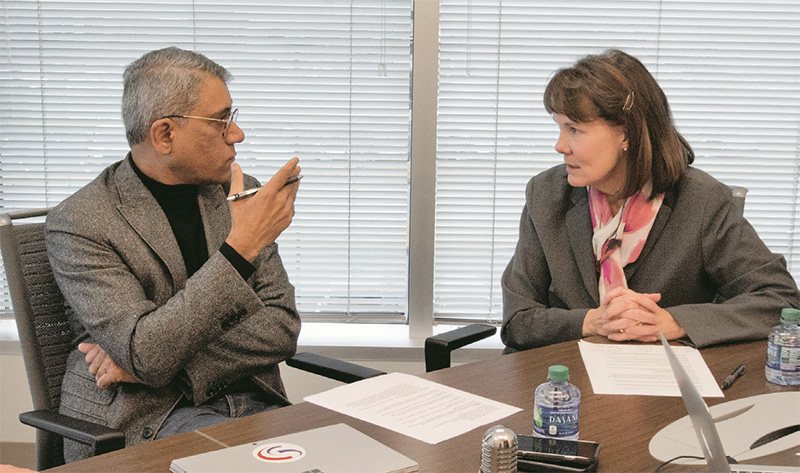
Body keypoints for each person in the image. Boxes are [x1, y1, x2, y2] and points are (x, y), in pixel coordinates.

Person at [45, 47, 302, 462]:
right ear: (165, 134)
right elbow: (145, 351)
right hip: (145, 421)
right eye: (222, 121)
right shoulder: (81, 221)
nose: (237, 135)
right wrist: (240, 249)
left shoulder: (237, 192)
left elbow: (281, 328)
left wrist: (160, 364)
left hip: (253, 401)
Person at [501, 49, 800, 352]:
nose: (560, 145)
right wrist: (591, 322)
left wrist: (675, 323)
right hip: (563, 379)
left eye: (575, 130)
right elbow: (518, 321)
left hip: (664, 386)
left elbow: (780, 299)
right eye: (560, 127)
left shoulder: (702, 201)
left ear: (626, 133)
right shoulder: (547, 194)